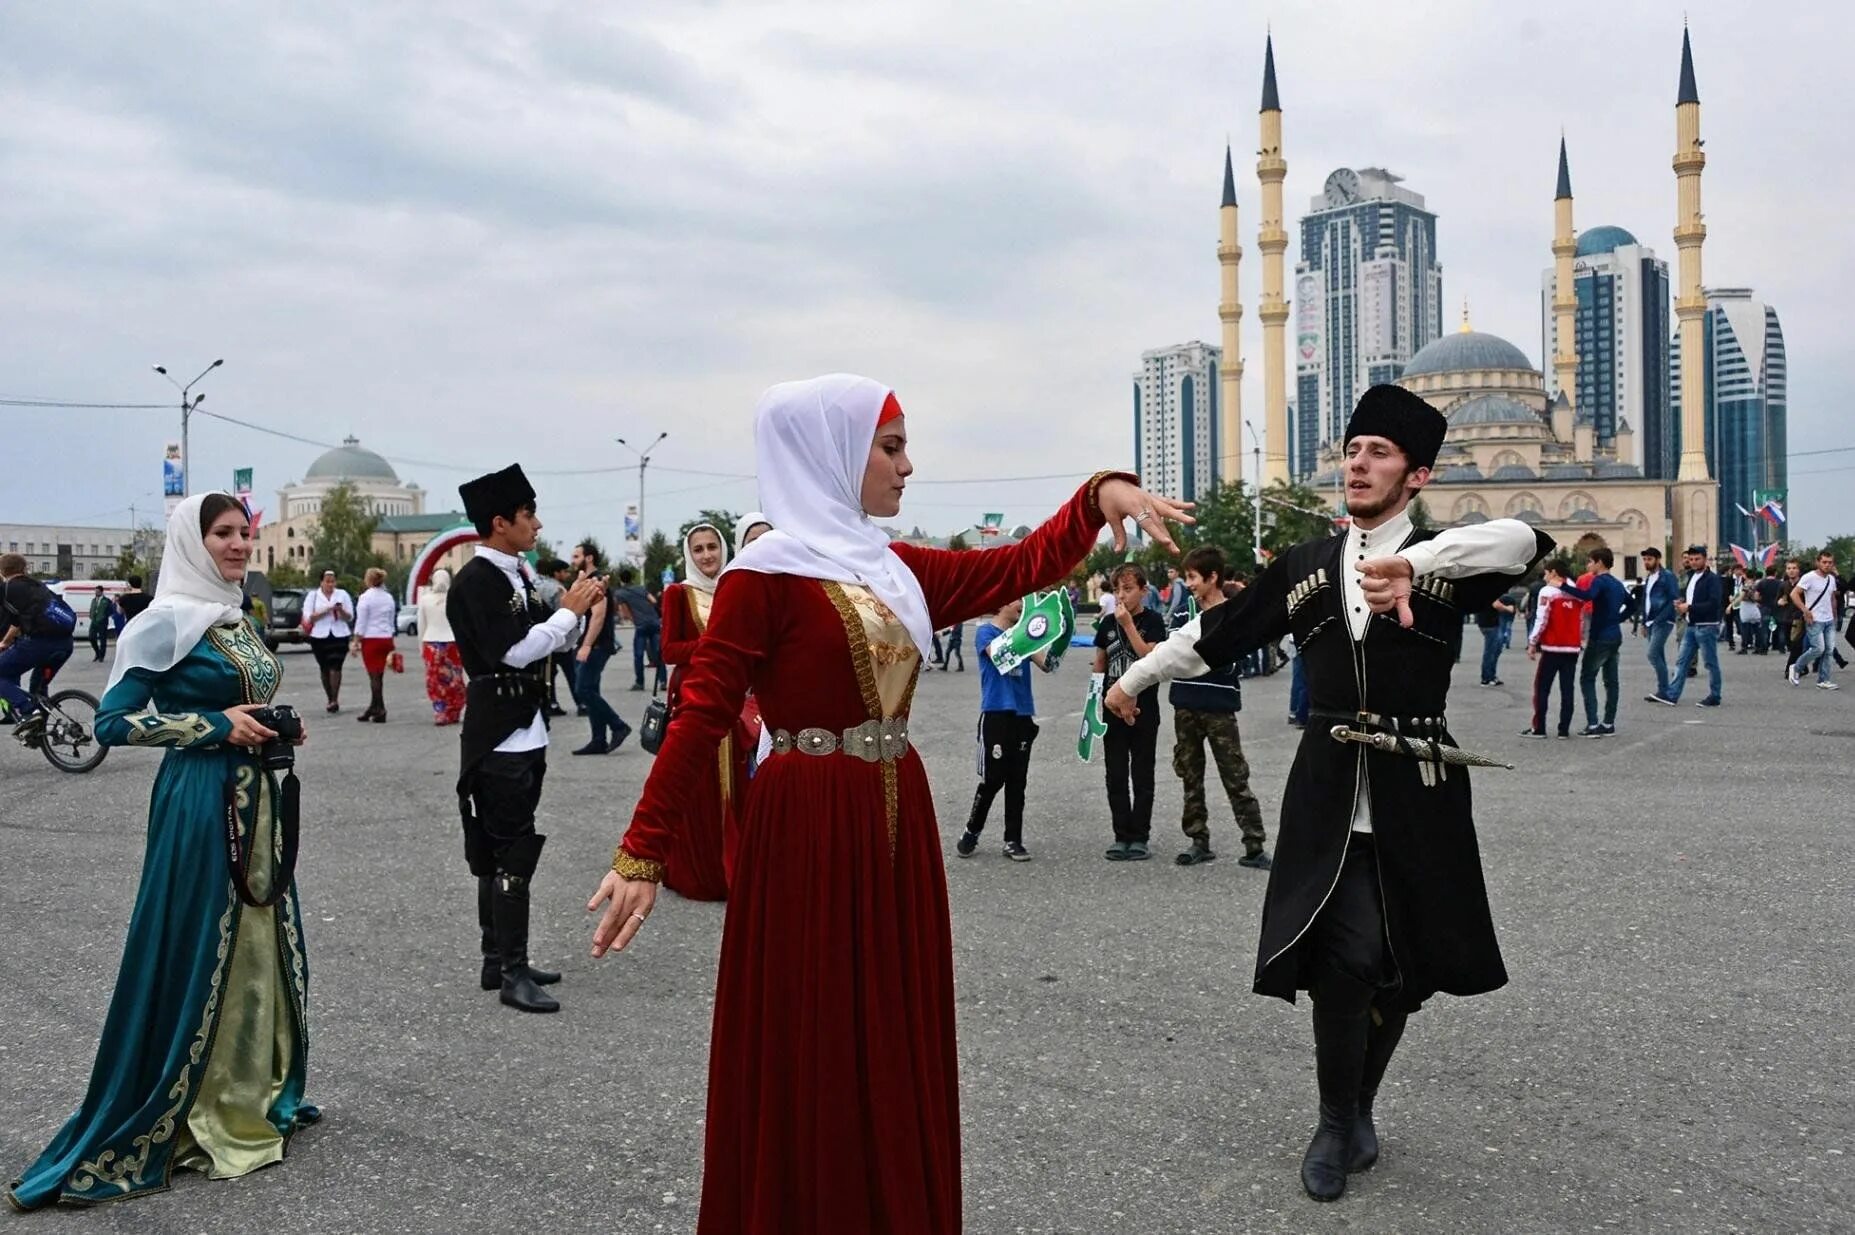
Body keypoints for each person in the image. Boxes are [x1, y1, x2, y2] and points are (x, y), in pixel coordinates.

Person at [586, 374, 1184, 1234]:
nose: (908, 466)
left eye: (904, 446)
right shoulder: (766, 575)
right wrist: (643, 851)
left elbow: (1016, 566)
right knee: (815, 1034)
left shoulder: (891, 567)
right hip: (803, 822)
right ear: (830, 453)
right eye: (890, 446)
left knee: (889, 1031)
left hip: (893, 814)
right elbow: (703, 709)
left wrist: (1096, 496)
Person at [1103, 383, 1550, 1203]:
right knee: (1346, 958)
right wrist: (1132, 676)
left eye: (1378, 452)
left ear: (1416, 474)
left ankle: (1360, 1107)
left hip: (1417, 782)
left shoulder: (1447, 557)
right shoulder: (1306, 564)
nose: (1357, 461)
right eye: (1352, 449)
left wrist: (1410, 563)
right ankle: (1335, 1118)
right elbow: (1216, 634)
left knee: (1400, 966)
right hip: (1329, 784)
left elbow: (1525, 540)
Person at [8, 494, 316, 1210]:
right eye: (222, 534)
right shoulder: (162, 622)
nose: (238, 545)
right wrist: (213, 726)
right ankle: (193, 1100)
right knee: (202, 942)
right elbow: (114, 721)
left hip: (256, 797)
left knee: (256, 937)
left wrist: (275, 728)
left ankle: (247, 1084)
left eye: (244, 533)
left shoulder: (235, 615)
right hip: (200, 803)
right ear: (192, 540)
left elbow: (243, 699)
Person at [447, 465, 602, 1013]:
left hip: (525, 726)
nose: (536, 524)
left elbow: (551, 643)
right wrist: (565, 615)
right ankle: (511, 970)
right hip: (499, 734)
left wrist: (575, 613)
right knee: (509, 853)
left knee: (504, 848)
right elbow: (511, 652)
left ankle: (500, 958)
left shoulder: (517, 574)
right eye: (528, 514)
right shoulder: (477, 581)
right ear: (499, 522)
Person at [1118, 546, 1270, 868]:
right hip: (1185, 705)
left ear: (1213, 577)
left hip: (1219, 707)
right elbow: (1170, 656)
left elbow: (1235, 659)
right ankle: (1198, 840)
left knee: (1235, 775)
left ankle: (1254, 844)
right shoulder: (1186, 614)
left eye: (1193, 577)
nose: (1188, 583)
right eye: (1186, 577)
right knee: (1190, 775)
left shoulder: (1233, 614)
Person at [655, 524, 736, 900]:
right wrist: (714, 647)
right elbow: (670, 650)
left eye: (712, 548)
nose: (706, 556)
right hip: (696, 700)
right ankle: (701, 871)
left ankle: (738, 867)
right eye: (699, 549)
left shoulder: (737, 586)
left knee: (740, 784)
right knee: (699, 788)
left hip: (737, 700)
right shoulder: (678, 594)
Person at [956, 596, 1044, 861]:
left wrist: (1053, 633)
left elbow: (1047, 663)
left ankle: (1013, 840)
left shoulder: (1024, 635)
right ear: (1002, 601)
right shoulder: (986, 632)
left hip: (1023, 714)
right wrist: (1026, 633)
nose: (1022, 604)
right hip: (996, 714)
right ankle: (972, 830)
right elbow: (1001, 656)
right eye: (1017, 599)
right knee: (994, 780)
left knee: (1018, 781)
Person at [1096, 563, 1167, 861]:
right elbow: (1099, 664)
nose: (1121, 595)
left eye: (1128, 589)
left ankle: (1140, 836)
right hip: (1111, 708)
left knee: (1142, 773)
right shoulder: (1106, 624)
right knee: (1115, 774)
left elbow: (1150, 658)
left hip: (1143, 708)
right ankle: (1120, 835)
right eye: (1117, 589)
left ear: (1143, 590)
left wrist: (1127, 624)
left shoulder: (1153, 621)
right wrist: (1092, 706)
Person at [1557, 546, 1632, 736]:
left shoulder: (1599, 581)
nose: (1588, 565)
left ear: (1599, 562)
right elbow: (1632, 605)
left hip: (1600, 636)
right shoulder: (1616, 583)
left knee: (1587, 677)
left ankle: (1592, 723)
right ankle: (1608, 723)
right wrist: (1618, 619)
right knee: (1611, 680)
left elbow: (1587, 596)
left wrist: (1563, 586)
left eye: (1590, 561)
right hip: (1615, 635)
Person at [0, 556, 77, 736]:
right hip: (65, 644)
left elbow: (17, 626)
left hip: (40, 644)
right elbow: (19, 622)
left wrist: (4, 643)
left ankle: (28, 711)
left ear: (3, 571)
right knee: (38, 689)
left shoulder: (7, 588)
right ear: (24, 568)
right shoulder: (38, 587)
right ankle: (38, 731)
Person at [568, 542, 631, 756]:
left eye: (576, 556)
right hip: (589, 643)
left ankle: (618, 726)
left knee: (583, 689)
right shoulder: (586, 580)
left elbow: (598, 615)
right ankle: (598, 740)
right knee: (590, 689)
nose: (572, 560)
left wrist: (586, 645)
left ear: (589, 558)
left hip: (596, 645)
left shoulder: (596, 581)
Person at [1647, 545, 1724, 708]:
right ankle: (1672, 695)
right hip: (1691, 625)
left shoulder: (1712, 579)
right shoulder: (1690, 577)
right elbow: (1690, 598)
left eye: (1697, 559)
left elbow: (1714, 603)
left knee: (1710, 662)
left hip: (1707, 625)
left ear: (1705, 559)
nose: (1694, 562)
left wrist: (1689, 607)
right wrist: (1681, 603)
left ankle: (1715, 695)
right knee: (1682, 662)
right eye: (1691, 559)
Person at [1523, 558, 1583, 739]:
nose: (1545, 576)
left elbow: (1541, 620)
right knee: (1567, 689)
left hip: (1552, 647)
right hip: (1571, 647)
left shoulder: (1547, 591)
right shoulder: (1574, 590)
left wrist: (1533, 642)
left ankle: (1539, 727)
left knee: (1542, 688)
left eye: (1547, 573)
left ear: (1554, 573)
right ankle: (1563, 729)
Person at [418, 568, 466, 725]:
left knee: (435, 680)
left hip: (431, 643)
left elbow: (421, 625)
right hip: (453, 643)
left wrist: (421, 648)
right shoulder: (457, 597)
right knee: (455, 679)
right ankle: (454, 710)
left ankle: (440, 710)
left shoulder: (425, 599)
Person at [301, 570, 353, 713]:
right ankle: (330, 697)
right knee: (324, 668)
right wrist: (328, 609)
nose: (330, 584)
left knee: (336, 666)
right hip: (319, 635)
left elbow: (350, 617)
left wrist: (340, 611)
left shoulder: (342, 594)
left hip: (340, 634)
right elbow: (309, 617)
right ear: (321, 582)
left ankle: (335, 699)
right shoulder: (313, 596)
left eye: (333, 581)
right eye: (327, 581)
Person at [1789, 551, 1841, 690]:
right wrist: (1805, 610)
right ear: (1817, 562)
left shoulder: (1831, 579)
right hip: (1814, 619)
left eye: (1830, 562)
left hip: (1829, 619)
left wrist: (1835, 614)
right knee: (1818, 649)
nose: (1827, 565)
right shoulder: (1809, 577)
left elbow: (1832, 597)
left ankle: (1824, 680)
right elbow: (1794, 594)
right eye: (1824, 562)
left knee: (1829, 650)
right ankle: (1797, 667)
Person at [352, 566, 397, 723]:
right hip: (386, 638)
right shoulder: (388, 597)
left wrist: (356, 640)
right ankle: (373, 706)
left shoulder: (366, 598)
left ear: (369, 580)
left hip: (371, 639)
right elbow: (392, 620)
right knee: (379, 675)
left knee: (373, 675)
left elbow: (361, 621)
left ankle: (380, 709)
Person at [1634, 547, 1680, 697]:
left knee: (1652, 654)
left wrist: (1662, 618)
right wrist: (1644, 622)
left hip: (1662, 621)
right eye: (1645, 559)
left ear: (1658, 560)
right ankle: (1663, 690)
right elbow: (1645, 601)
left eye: (1649, 559)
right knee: (1658, 655)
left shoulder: (1667, 576)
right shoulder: (1649, 578)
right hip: (1650, 622)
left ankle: (1665, 690)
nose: (1647, 562)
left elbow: (1674, 598)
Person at [611, 566, 663, 692]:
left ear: (621, 580)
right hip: (654, 622)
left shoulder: (620, 593)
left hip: (641, 625)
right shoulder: (641, 588)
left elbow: (625, 612)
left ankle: (640, 683)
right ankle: (663, 681)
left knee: (638, 655)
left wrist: (634, 619)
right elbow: (653, 600)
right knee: (658, 653)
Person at [533, 557, 572, 716]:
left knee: (547, 673)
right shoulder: (557, 589)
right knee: (571, 672)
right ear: (555, 572)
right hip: (558, 636)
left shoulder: (532, 585)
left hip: (540, 635)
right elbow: (561, 612)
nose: (567, 574)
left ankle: (550, 702)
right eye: (565, 571)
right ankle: (582, 702)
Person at [1474, 587, 1518, 686]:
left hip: (1484, 622)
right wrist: (1508, 608)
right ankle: (1487, 677)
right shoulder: (1490, 591)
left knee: (1493, 650)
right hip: (1491, 624)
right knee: (1491, 651)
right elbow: (1496, 604)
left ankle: (1491, 675)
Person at [87, 587, 113, 661]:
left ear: (101, 592)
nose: (96, 593)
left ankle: (101, 656)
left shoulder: (107, 600)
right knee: (91, 637)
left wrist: (104, 616)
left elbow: (111, 611)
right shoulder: (93, 600)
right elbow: (92, 609)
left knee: (102, 640)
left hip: (102, 622)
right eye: (95, 591)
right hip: (94, 621)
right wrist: (91, 615)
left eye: (97, 591)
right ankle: (97, 653)